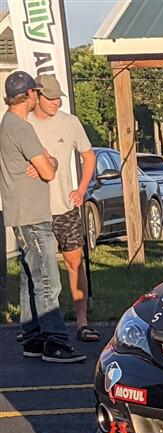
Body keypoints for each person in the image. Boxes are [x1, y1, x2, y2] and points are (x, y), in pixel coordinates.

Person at [0, 71, 85, 363]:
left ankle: (34, 337)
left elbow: (50, 161)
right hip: (33, 215)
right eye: (36, 92)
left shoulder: (9, 124)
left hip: (21, 212)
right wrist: (49, 161)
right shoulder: (22, 128)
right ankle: (55, 342)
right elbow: (49, 171)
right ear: (29, 96)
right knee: (48, 279)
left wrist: (50, 159)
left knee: (30, 276)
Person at [28, 74, 99, 342]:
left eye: (59, 97)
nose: (56, 102)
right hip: (36, 210)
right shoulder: (25, 124)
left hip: (66, 208)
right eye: (50, 98)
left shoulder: (70, 123)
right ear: (36, 95)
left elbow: (88, 156)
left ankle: (82, 322)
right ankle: (41, 326)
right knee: (40, 269)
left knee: (74, 263)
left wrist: (81, 189)